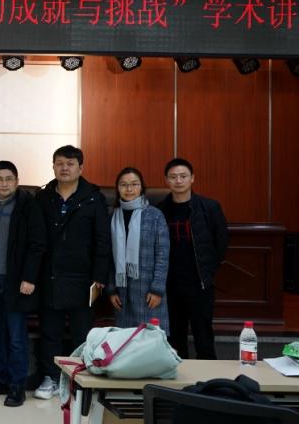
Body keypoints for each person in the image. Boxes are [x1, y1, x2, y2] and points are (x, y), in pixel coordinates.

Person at [34, 145, 111, 400]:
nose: (64, 168)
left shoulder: (94, 198)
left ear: (81, 168)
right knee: (50, 332)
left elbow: (102, 240)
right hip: (50, 275)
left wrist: (100, 277)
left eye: (70, 163)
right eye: (59, 163)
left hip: (84, 278)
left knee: (81, 332)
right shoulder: (43, 197)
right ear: (53, 167)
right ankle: (50, 378)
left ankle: (78, 380)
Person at [0, 160, 46, 407]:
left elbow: (38, 244)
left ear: (17, 182)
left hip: (16, 282)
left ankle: (17, 385)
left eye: (9, 179)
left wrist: (29, 277)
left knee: (16, 337)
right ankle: (1, 379)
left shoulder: (29, 206)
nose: (4, 184)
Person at [157, 158, 228, 359]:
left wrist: (209, 271)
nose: (178, 181)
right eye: (173, 177)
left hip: (200, 284)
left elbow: (221, 242)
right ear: (166, 181)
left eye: (183, 176)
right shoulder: (159, 210)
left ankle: (208, 377)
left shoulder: (209, 207)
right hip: (170, 285)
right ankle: (178, 377)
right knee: (175, 339)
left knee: (203, 337)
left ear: (192, 178)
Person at [107, 167, 170, 334]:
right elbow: (108, 257)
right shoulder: (112, 217)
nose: (129, 189)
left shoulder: (155, 215)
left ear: (142, 187)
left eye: (134, 184)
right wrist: (111, 290)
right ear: (118, 188)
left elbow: (163, 255)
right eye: (124, 185)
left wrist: (157, 289)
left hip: (148, 290)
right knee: (125, 340)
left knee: (149, 339)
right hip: (122, 291)